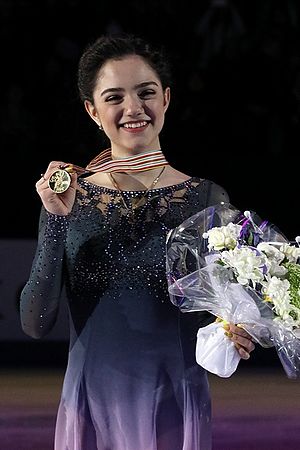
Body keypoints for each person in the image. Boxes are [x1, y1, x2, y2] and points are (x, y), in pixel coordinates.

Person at [20, 33, 255, 450]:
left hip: (175, 402)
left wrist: (237, 325)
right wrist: (57, 220)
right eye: (114, 97)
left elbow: (225, 307)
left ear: (165, 98)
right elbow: (35, 323)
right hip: (91, 404)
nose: (133, 109)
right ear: (92, 111)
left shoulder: (206, 198)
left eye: (146, 92)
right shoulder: (66, 198)